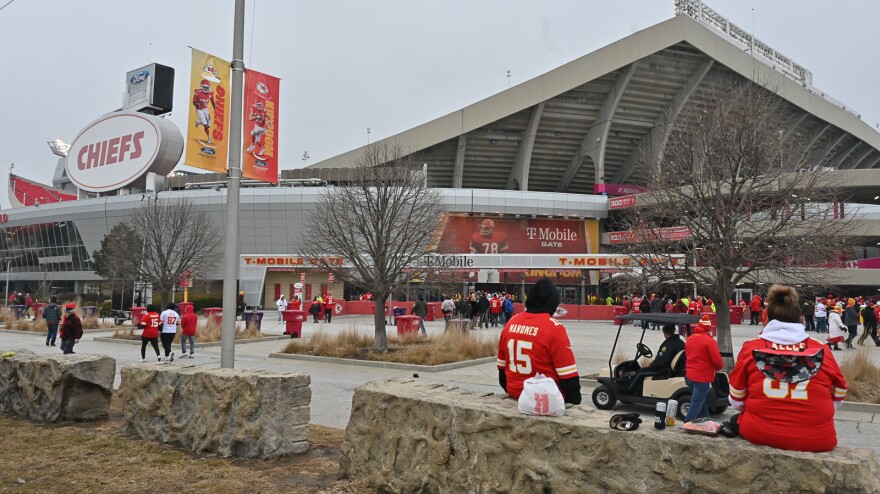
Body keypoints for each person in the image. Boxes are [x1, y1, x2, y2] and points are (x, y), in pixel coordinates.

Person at [726, 284, 848, 452]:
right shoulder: (822, 350)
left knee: (735, 420)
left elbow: (736, 399)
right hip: (818, 438)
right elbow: (840, 392)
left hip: (760, 432)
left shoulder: (751, 348)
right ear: (800, 318)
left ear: (766, 318)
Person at [496, 278, 581, 404]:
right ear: (553, 302)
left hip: (515, 393)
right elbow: (568, 378)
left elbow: (502, 371)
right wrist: (575, 401)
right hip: (546, 399)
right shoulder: (554, 329)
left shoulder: (510, 323)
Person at [684, 315, 723, 423]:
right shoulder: (710, 342)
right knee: (697, 401)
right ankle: (688, 422)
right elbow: (717, 361)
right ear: (708, 328)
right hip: (702, 377)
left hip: (689, 375)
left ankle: (705, 421)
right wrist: (719, 367)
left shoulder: (690, 339)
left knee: (701, 401)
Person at [628, 324, 685, 394]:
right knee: (643, 371)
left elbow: (661, 361)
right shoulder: (680, 342)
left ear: (665, 332)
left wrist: (651, 366)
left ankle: (628, 390)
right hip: (675, 369)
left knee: (640, 372)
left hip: (665, 371)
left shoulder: (668, 345)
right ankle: (639, 391)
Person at [192, 79, 216, 144]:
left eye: (207, 87)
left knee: (208, 126)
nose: (206, 88)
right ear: (202, 86)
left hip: (206, 109)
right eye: (205, 87)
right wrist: (197, 106)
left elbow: (213, 101)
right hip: (199, 109)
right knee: (205, 125)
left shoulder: (210, 92)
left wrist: (215, 109)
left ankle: (198, 122)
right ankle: (209, 137)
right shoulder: (198, 92)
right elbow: (193, 102)